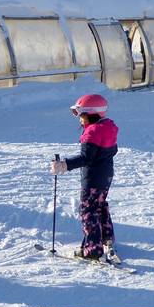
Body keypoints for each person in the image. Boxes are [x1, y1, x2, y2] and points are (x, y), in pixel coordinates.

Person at [50, 93, 119, 261]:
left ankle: (92, 249)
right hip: (106, 176)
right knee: (99, 205)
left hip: (93, 178)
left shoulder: (92, 132)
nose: (79, 118)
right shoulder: (108, 127)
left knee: (88, 211)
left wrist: (64, 165)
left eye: (81, 114)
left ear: (92, 114)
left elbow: (86, 158)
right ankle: (107, 239)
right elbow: (113, 150)